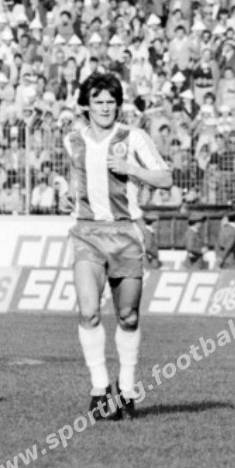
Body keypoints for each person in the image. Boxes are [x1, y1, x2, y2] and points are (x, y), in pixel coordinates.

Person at [64, 73, 172, 420]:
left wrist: (130, 169)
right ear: (86, 105)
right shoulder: (72, 140)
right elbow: (77, 178)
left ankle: (126, 388)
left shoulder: (133, 137)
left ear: (118, 105)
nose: (105, 108)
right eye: (98, 102)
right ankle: (99, 389)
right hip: (87, 233)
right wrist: (68, 193)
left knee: (128, 316)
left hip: (125, 234)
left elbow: (166, 178)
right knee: (88, 312)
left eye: (111, 102)